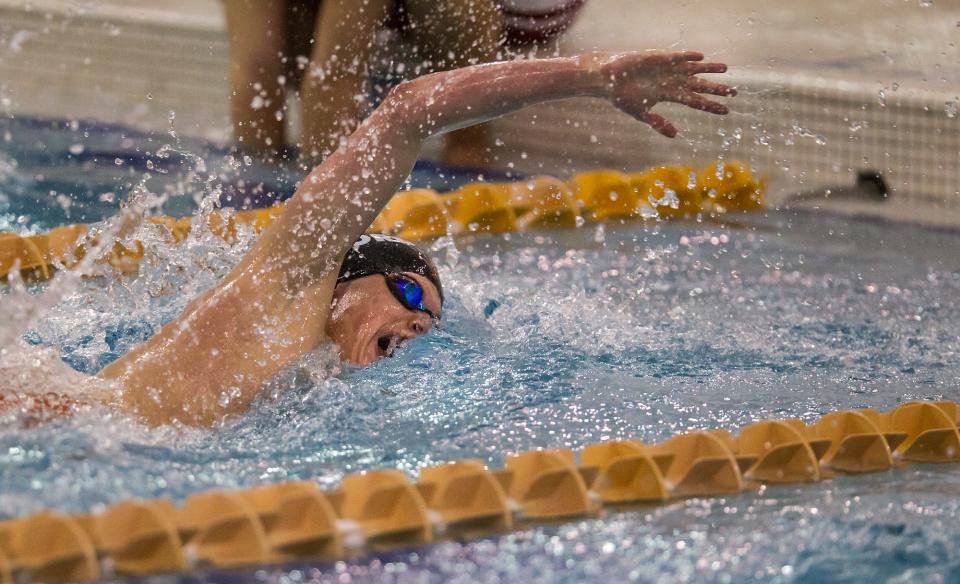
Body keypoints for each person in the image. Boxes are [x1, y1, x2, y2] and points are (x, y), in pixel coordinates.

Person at [7, 51, 735, 427]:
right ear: (349, 278)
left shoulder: (312, 378)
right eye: (411, 293)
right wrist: (590, 74)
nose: (416, 324)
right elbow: (408, 110)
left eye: (428, 324)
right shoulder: (290, 282)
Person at [222, 0, 588, 168]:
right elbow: (256, 67)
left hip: (526, 11)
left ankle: (467, 157)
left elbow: (336, 73)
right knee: (284, 25)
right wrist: (258, 187)